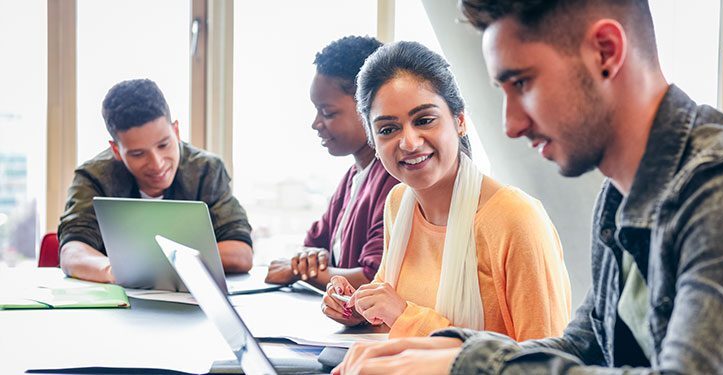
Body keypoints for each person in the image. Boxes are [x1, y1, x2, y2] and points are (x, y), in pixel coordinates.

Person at [332, 0, 723, 374]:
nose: (511, 124)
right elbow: (584, 348)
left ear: (606, 52)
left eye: (524, 84)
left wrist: (472, 364)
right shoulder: (619, 194)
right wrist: (444, 354)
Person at [322, 41, 571, 340]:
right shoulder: (398, 204)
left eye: (424, 120)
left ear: (460, 121)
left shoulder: (515, 219)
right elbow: (389, 316)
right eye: (388, 129)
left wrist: (405, 316)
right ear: (373, 142)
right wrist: (354, 308)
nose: (410, 142)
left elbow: (545, 363)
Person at [58, 79, 254, 283]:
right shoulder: (94, 177)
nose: (157, 164)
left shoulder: (206, 171)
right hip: (120, 304)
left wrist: (152, 265)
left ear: (176, 131)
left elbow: (241, 253)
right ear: (116, 150)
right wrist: (115, 272)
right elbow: (72, 251)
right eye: (137, 154)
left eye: (163, 145)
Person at [265, 36, 400, 290]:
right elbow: (312, 246)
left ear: (368, 106)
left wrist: (298, 271)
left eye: (327, 112)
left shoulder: (394, 180)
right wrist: (306, 263)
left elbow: (373, 278)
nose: (316, 123)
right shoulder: (352, 177)